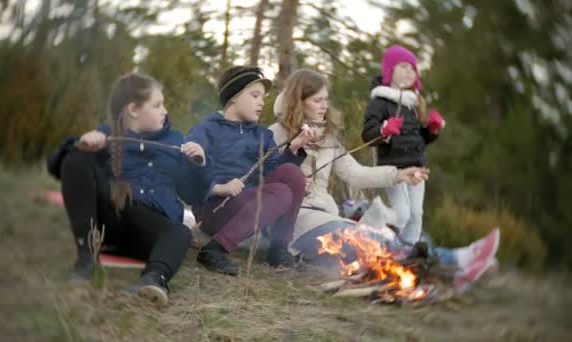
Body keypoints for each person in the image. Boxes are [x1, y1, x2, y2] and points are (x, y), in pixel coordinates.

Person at [46, 73, 212, 305]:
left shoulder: (176, 142)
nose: (165, 110)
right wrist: (80, 145)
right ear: (134, 109)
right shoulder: (107, 136)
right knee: (77, 158)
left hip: (151, 231)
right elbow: (58, 168)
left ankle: (154, 278)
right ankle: (86, 258)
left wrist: (199, 165)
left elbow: (193, 195)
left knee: (181, 231)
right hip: (111, 222)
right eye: (157, 105)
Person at [269, 69, 428, 257]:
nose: (324, 106)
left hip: (326, 215)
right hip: (294, 219)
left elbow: (355, 174)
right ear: (298, 102)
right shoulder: (276, 134)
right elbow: (264, 179)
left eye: (326, 99)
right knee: (366, 244)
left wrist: (397, 174)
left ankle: (435, 261)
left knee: (384, 240)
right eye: (317, 100)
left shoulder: (329, 139)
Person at [187, 66, 316, 276]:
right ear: (233, 98)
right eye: (255, 95)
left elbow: (276, 171)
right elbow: (187, 176)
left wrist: (294, 148)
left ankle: (278, 249)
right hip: (215, 209)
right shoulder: (207, 129)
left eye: (263, 97)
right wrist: (218, 188)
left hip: (248, 204)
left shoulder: (261, 135)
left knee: (293, 173)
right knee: (282, 192)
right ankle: (214, 249)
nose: (262, 102)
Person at [361, 45, 445, 244]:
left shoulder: (415, 102)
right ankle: (370, 219)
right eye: (403, 66)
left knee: (416, 214)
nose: (409, 71)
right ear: (390, 70)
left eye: (412, 68)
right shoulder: (380, 101)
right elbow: (367, 135)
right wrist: (384, 130)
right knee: (402, 214)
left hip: (416, 165)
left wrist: (432, 130)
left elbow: (420, 140)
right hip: (392, 166)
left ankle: (409, 251)